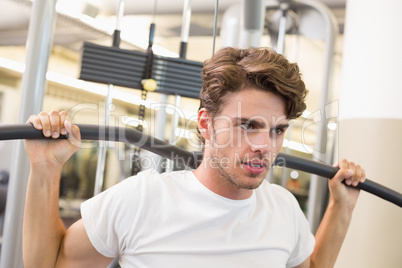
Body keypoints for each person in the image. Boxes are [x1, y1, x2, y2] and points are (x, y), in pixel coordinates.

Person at [23, 47, 365, 267]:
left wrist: (342, 208)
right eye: (248, 125)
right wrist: (45, 169)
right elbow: (49, 265)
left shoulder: (283, 207)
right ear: (206, 124)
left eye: (278, 130)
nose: (266, 145)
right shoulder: (142, 199)